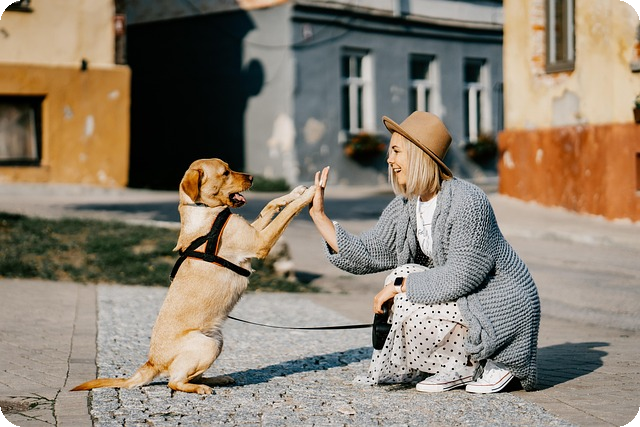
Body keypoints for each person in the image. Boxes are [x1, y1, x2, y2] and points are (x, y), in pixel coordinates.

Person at [308, 111, 540, 393]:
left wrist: (399, 287)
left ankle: (492, 360)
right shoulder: (407, 206)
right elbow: (368, 252)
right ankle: (456, 366)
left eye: (396, 151)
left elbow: (461, 276)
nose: (389, 159)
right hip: (465, 299)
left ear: (419, 154)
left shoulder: (468, 201)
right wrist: (319, 216)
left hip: (500, 305)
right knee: (402, 276)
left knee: (403, 286)